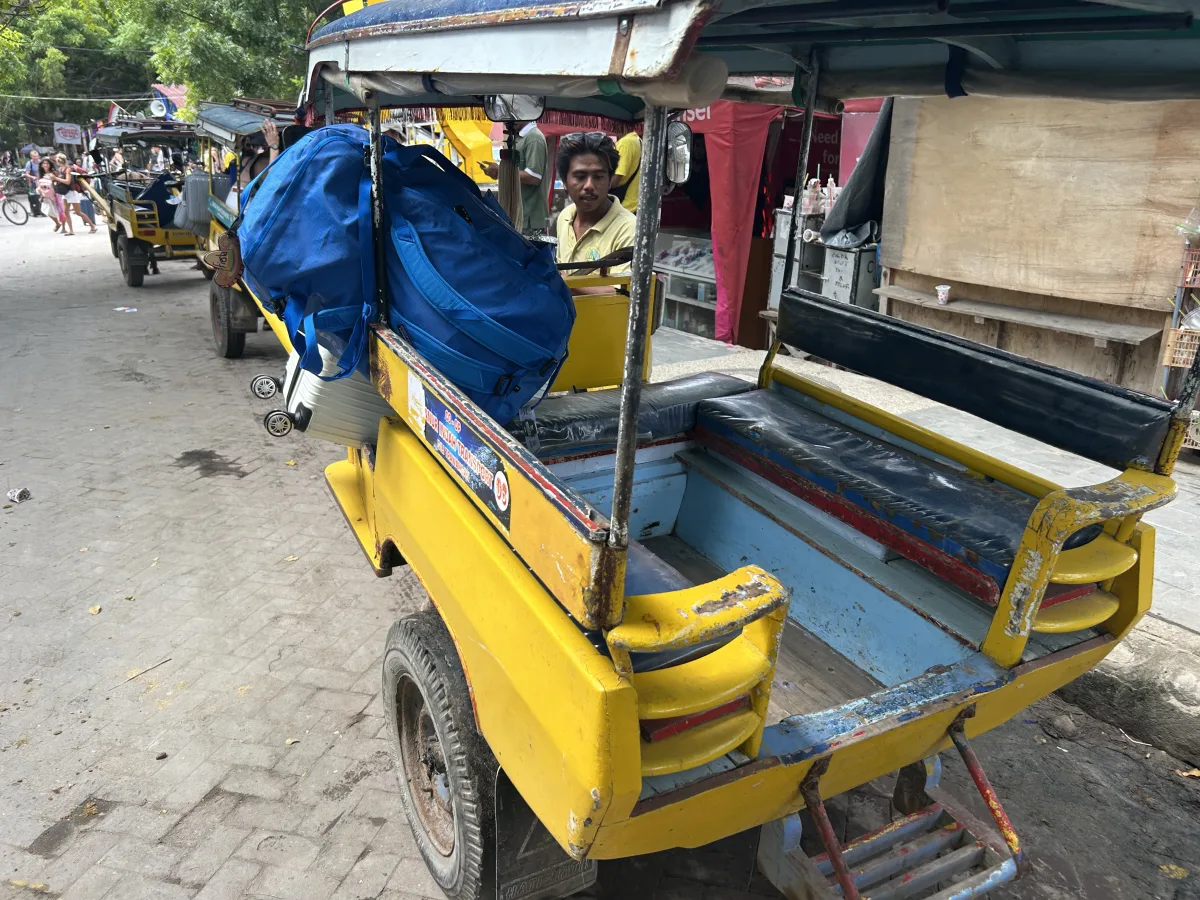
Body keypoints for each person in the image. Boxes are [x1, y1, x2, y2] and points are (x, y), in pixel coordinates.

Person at [554, 132, 637, 293]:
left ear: (610, 180)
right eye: (580, 176)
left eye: (598, 176)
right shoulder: (565, 216)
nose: (589, 185)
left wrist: (564, 282)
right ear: (565, 182)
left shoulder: (628, 228)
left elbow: (621, 294)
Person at [479, 121, 549, 235]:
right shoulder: (518, 137)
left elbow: (534, 177)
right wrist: (498, 173)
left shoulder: (534, 137)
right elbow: (514, 174)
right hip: (515, 216)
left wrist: (501, 171)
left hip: (530, 219)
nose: (507, 120)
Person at [612, 128, 642, 213]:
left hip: (624, 205)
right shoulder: (637, 140)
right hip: (634, 203)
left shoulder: (625, 143)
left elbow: (615, 180)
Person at [36, 159, 63, 231]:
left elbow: (58, 182)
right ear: (41, 165)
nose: (45, 165)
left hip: (55, 195)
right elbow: (38, 184)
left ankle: (63, 227)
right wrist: (39, 190)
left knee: (60, 211)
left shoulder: (53, 173)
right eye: (44, 163)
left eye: (47, 163)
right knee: (47, 211)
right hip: (45, 196)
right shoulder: (40, 175)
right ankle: (57, 223)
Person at [23, 150, 45, 218]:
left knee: (42, 196)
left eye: (37, 156)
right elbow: (27, 174)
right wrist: (32, 178)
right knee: (33, 197)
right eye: (34, 156)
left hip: (41, 182)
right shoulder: (29, 163)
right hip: (32, 183)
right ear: (31, 156)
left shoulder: (40, 162)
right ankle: (34, 211)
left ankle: (42, 210)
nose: (36, 158)